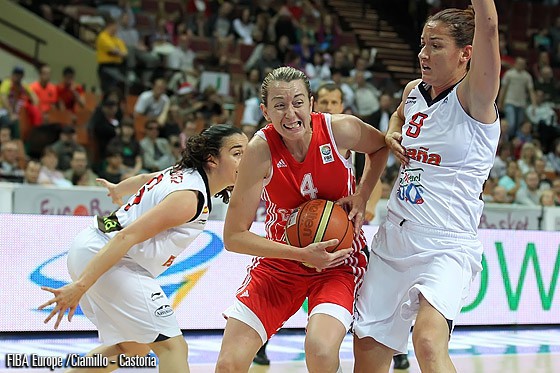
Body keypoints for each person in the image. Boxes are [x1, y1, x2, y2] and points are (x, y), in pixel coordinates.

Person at [353, 2, 501, 372]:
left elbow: (489, 26)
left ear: (466, 54)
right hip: (394, 238)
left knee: (428, 343)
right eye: (422, 43)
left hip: (447, 244)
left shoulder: (475, 97)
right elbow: (401, 114)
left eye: (436, 45)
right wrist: (391, 130)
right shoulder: (414, 91)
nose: (423, 53)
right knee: (367, 352)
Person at [216, 66, 388, 373]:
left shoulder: (340, 130)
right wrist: (301, 254)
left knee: (320, 351)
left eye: (298, 102)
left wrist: (362, 195)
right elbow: (233, 236)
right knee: (229, 364)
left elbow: (380, 146)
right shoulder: (259, 150)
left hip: (338, 261)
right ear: (266, 111)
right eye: (280, 105)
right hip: (281, 260)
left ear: (311, 103)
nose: (291, 113)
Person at [38, 124, 248, 373]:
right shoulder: (189, 198)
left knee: (133, 347)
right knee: (174, 348)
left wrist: (119, 189)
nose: (245, 161)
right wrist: (80, 286)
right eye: (237, 154)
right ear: (212, 159)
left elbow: (144, 179)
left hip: (92, 247)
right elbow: (127, 237)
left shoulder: (183, 173)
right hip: (109, 257)